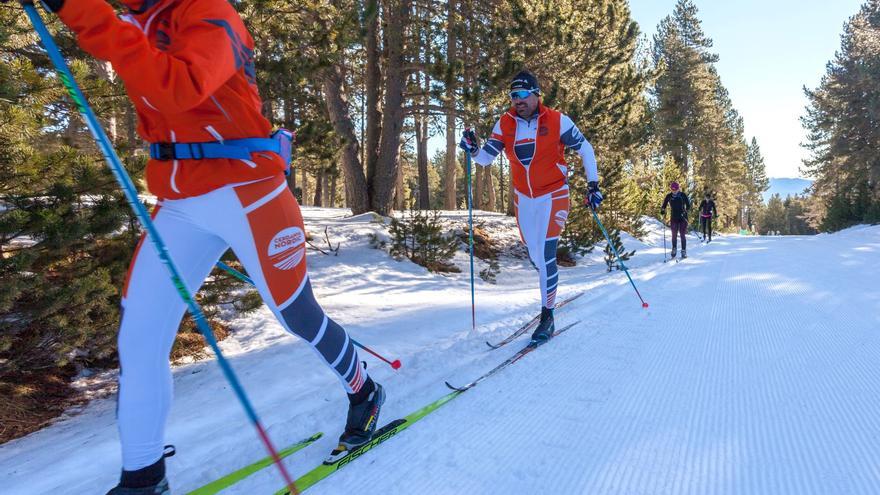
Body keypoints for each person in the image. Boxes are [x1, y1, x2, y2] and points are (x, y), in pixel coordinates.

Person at [42, 0, 384, 492]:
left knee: (296, 315)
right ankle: (142, 477)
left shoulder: (209, 10)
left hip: (250, 192)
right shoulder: (138, 19)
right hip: (180, 202)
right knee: (140, 338)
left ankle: (365, 390)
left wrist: (83, 12)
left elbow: (177, 88)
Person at [460, 70, 602, 342]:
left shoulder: (558, 121)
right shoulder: (505, 123)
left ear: (537, 94)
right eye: (513, 95)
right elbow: (486, 159)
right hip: (524, 199)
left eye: (523, 94)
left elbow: (586, 149)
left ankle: (547, 316)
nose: (518, 100)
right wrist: (474, 149)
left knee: (547, 254)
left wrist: (593, 185)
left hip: (554, 194)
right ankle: (549, 288)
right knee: (536, 256)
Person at [661, 181, 691, 259]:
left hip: (683, 218)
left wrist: (685, 212)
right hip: (674, 218)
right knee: (674, 235)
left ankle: (683, 251)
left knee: (682, 234)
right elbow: (664, 205)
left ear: (678, 189)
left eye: (675, 190)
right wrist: (663, 210)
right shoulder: (669, 196)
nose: (674, 191)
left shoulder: (683, 195)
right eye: (672, 190)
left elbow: (688, 206)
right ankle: (674, 249)